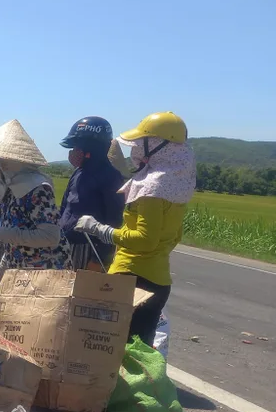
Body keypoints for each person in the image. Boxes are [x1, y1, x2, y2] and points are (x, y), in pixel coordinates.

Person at [75, 111, 196, 347]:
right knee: (139, 352)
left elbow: (145, 239)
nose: (136, 147)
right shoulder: (177, 182)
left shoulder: (153, 186)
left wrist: (99, 229)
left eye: (142, 142)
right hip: (158, 278)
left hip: (133, 278)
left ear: (158, 145)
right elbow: (173, 236)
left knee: (111, 350)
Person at [0, 119, 70, 294]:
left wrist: (10, 234)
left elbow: (51, 236)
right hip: (20, 272)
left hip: (44, 274)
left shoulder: (38, 189)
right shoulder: (10, 187)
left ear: (5, 162)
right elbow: (16, 245)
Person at [58, 116, 126, 270]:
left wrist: (99, 259)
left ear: (92, 148)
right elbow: (64, 208)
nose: (74, 151)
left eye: (77, 146)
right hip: (64, 245)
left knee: (80, 293)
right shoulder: (79, 172)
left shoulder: (110, 176)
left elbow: (114, 220)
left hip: (88, 250)